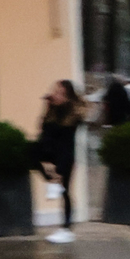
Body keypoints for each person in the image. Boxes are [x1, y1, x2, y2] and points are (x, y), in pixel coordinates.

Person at [35, 79, 86, 245]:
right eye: (55, 91)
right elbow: (44, 131)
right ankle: (53, 182)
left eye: (60, 93)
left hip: (64, 156)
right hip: (48, 152)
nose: (56, 95)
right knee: (30, 152)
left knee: (65, 192)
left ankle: (66, 229)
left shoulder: (72, 114)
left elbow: (65, 137)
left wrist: (62, 107)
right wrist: (48, 107)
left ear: (68, 97)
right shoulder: (52, 110)